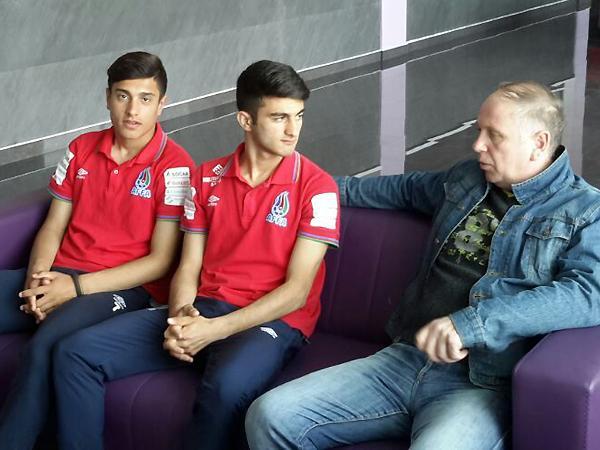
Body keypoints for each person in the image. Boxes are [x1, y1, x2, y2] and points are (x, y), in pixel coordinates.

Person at [245, 81, 600, 450]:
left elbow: (588, 294)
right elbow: (400, 190)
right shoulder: (467, 180)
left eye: (494, 135)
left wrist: (470, 325)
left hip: (480, 385)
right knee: (270, 416)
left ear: (539, 143)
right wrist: (306, 187)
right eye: (479, 131)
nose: (478, 145)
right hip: (405, 358)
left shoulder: (585, 211)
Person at [51, 60, 340, 450]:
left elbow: (297, 292)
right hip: (203, 308)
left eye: (298, 116)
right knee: (75, 353)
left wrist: (214, 330)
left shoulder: (318, 188)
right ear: (246, 120)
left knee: (226, 387)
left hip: (271, 322)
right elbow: (188, 265)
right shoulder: (205, 179)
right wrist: (181, 318)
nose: (293, 130)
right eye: (279, 118)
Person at [0, 51, 194, 450]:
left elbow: (160, 262)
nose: (132, 110)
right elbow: (53, 225)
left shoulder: (175, 166)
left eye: (145, 99)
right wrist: (38, 280)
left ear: (162, 104)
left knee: (46, 347)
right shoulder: (81, 148)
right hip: (57, 275)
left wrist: (73, 289)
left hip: (121, 289)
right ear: (107, 98)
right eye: (123, 96)